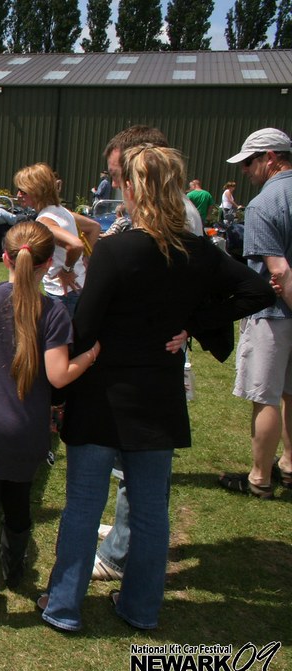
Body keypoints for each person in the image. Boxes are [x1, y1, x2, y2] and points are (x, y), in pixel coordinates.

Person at [38, 144, 273, 632]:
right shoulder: (199, 249)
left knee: (84, 506)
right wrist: (194, 321)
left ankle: (63, 606)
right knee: (150, 512)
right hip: (157, 396)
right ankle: (141, 607)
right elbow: (257, 289)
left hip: (101, 392)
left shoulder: (119, 250)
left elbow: (85, 325)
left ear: (133, 187)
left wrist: (63, 371)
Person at [0, 221, 99, 616]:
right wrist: (90, 356)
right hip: (25, 427)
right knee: (17, 503)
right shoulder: (52, 313)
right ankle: (14, 571)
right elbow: (58, 376)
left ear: (4, 258)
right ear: (48, 264)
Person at [92, 125, 210, 584]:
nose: (118, 184)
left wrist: (191, 325)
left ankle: (124, 553)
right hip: (146, 358)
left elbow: (200, 283)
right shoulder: (156, 214)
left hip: (151, 363)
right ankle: (127, 537)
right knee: (137, 461)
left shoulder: (176, 218)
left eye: (121, 174)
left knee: (145, 463)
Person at [222, 127, 292, 499]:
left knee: (265, 395)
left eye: (249, 162)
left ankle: (259, 478)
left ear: (270, 158)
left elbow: (276, 270)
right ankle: (289, 463)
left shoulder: (266, 204)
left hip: (274, 313)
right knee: (291, 393)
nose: (246, 170)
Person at [14, 163, 87, 317]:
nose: (18, 195)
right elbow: (94, 227)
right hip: (77, 286)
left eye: (23, 191)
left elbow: (76, 244)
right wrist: (85, 260)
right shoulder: (62, 211)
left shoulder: (45, 220)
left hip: (62, 291)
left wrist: (67, 270)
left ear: (37, 191)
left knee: (59, 338)